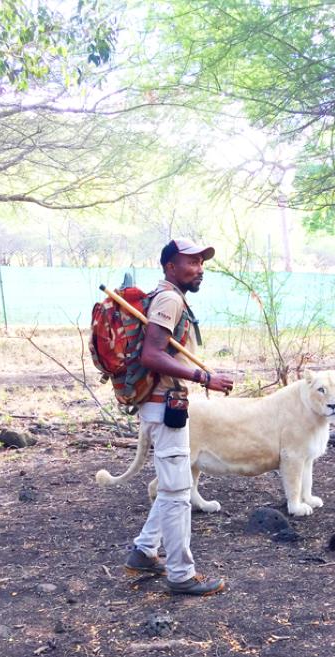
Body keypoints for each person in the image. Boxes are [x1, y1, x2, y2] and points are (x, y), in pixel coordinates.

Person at [124, 237, 234, 596]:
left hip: (168, 405)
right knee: (176, 492)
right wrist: (204, 378)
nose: (199, 268)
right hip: (163, 404)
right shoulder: (169, 298)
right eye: (191, 262)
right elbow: (151, 355)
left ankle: (143, 551)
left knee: (174, 487)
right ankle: (180, 574)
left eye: (202, 262)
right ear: (171, 267)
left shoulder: (170, 297)